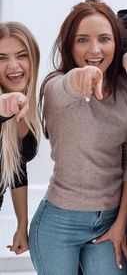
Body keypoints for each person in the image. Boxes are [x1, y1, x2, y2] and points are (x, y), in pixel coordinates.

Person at [30, 0, 127, 274]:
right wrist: (82, 76)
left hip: (110, 220)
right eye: (82, 40)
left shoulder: (126, 89)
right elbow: (67, 86)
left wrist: (121, 223)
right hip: (58, 224)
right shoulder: (55, 88)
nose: (94, 49)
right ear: (69, 45)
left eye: (104, 39)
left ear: (116, 43)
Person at [0, 22, 40, 256]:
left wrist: (21, 225)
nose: (13, 66)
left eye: (21, 56)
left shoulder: (27, 108)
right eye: (2, 58)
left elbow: (17, 169)